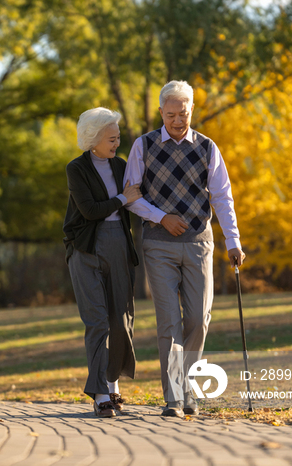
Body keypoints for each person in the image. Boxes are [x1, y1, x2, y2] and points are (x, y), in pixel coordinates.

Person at [124, 80, 245, 417]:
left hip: (198, 244)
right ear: (161, 112)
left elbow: (221, 196)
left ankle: (189, 385)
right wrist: (162, 218)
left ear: (192, 110)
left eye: (184, 113)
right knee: (169, 323)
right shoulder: (143, 146)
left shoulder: (207, 148)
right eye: (171, 114)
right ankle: (175, 396)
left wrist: (232, 241)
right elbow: (131, 195)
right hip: (158, 244)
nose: (178, 120)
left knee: (198, 318)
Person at [62, 107, 165, 418]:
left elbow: (141, 195)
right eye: (111, 137)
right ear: (93, 139)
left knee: (121, 320)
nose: (117, 142)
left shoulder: (121, 166)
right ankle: (100, 394)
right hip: (86, 249)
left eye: (118, 137)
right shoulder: (76, 169)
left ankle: (112, 380)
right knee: (96, 322)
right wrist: (122, 199)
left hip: (118, 245)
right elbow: (91, 210)